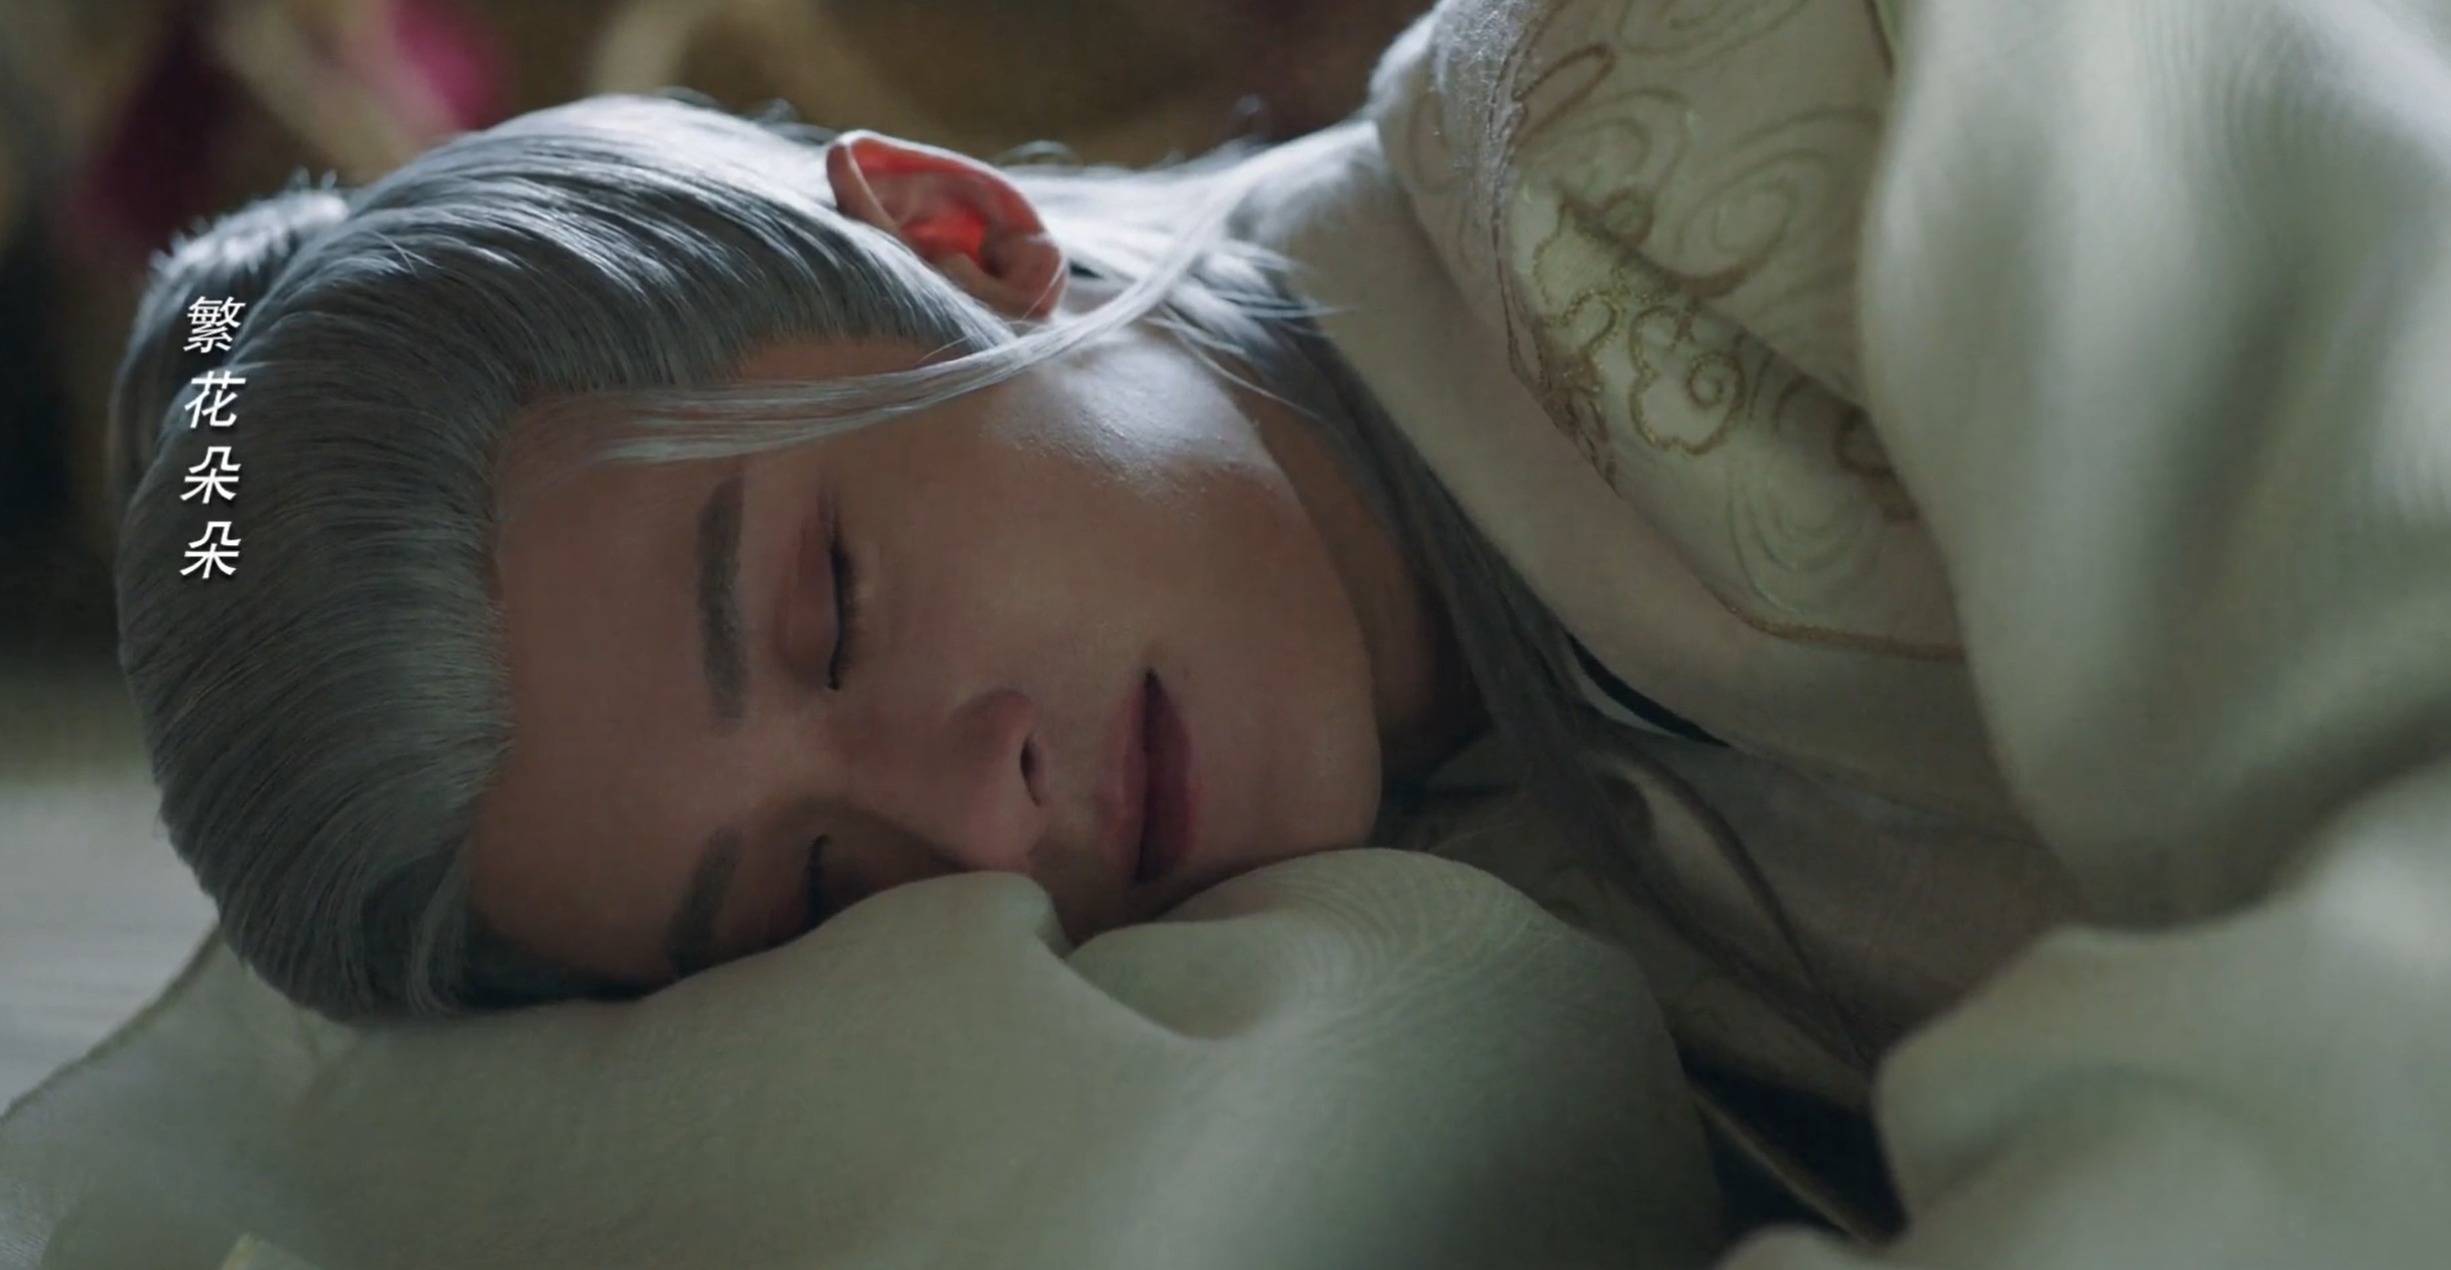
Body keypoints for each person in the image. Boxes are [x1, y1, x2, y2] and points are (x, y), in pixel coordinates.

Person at [108, 0, 2451, 1264]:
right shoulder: (1414, 919)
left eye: (829, 606)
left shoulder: (1731, 75)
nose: (975, 826)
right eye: (812, 893)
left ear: (956, 231)